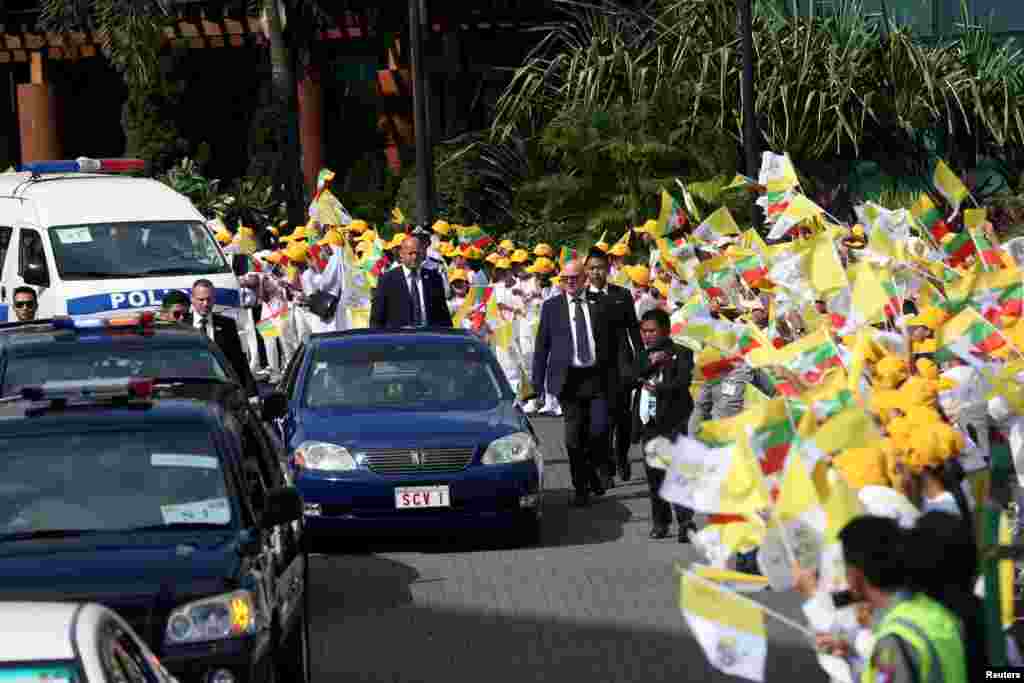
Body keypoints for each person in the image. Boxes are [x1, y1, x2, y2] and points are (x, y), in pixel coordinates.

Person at [822, 516, 968, 683]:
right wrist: (853, 658)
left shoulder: (892, 641)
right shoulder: (938, 613)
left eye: (844, 569)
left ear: (855, 574)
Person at [531, 259, 619, 507]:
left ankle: (594, 471)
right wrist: (537, 384)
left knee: (599, 432)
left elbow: (615, 342)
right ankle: (581, 487)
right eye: (565, 278)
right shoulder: (551, 307)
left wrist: (624, 374)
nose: (570, 282)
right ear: (561, 281)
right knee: (573, 439)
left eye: (575, 277)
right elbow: (542, 347)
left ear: (584, 279)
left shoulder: (601, 303)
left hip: (597, 378)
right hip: (568, 381)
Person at [624, 309, 697, 541]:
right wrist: (650, 366)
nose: (647, 336)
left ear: (665, 330)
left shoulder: (682, 353)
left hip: (673, 421)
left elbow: (683, 382)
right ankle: (660, 522)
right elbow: (630, 378)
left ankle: (685, 521)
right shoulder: (643, 356)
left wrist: (660, 387)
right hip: (649, 423)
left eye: (652, 331)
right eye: (643, 331)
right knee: (654, 475)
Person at [586, 247, 643, 484]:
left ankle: (621, 457)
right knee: (602, 421)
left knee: (622, 419)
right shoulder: (582, 298)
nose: (595, 273)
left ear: (608, 269)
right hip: (595, 367)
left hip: (622, 365)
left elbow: (633, 331)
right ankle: (606, 466)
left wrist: (642, 362)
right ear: (586, 271)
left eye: (599, 268)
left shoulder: (622, 294)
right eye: (591, 268)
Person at [186, 279, 257, 395]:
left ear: (214, 299)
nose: (205, 304)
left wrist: (251, 392)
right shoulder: (183, 325)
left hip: (221, 390)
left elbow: (238, 359)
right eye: (201, 300)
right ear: (192, 299)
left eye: (209, 299)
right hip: (191, 389)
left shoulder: (227, 325)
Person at [370, 234, 453, 328]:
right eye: (411, 253)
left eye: (417, 253)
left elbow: (443, 315)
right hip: (398, 338)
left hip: (429, 337)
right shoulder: (387, 279)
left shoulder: (434, 278)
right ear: (401, 254)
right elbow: (376, 318)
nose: (414, 257)